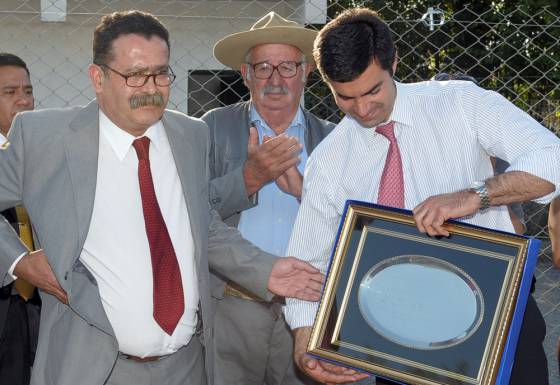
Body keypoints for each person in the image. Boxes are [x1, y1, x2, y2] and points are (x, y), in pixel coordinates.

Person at [0, 10, 324, 385]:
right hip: (93, 366)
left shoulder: (190, 135)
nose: (151, 88)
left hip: (185, 366)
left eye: (161, 73)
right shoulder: (45, 138)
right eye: (135, 75)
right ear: (98, 78)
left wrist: (267, 270)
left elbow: (202, 224)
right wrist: (19, 261)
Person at [284, 8, 560, 385]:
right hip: (397, 339)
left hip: (497, 320)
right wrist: (305, 339)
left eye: (372, 90)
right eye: (344, 97)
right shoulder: (329, 161)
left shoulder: (462, 104)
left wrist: (474, 196)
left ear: (393, 62)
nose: (363, 109)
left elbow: (553, 159)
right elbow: (308, 263)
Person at [202, 11, 334, 385]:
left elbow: (354, 222)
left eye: (288, 67)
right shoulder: (212, 128)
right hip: (232, 305)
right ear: (245, 75)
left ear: (306, 72)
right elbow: (189, 211)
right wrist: (248, 178)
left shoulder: (335, 138)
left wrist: (305, 192)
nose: (276, 80)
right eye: (263, 67)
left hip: (308, 309)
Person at [0, 52, 40, 385]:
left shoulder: (41, 151)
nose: (24, 101)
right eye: (10, 93)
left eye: (27, 91)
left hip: (40, 299)